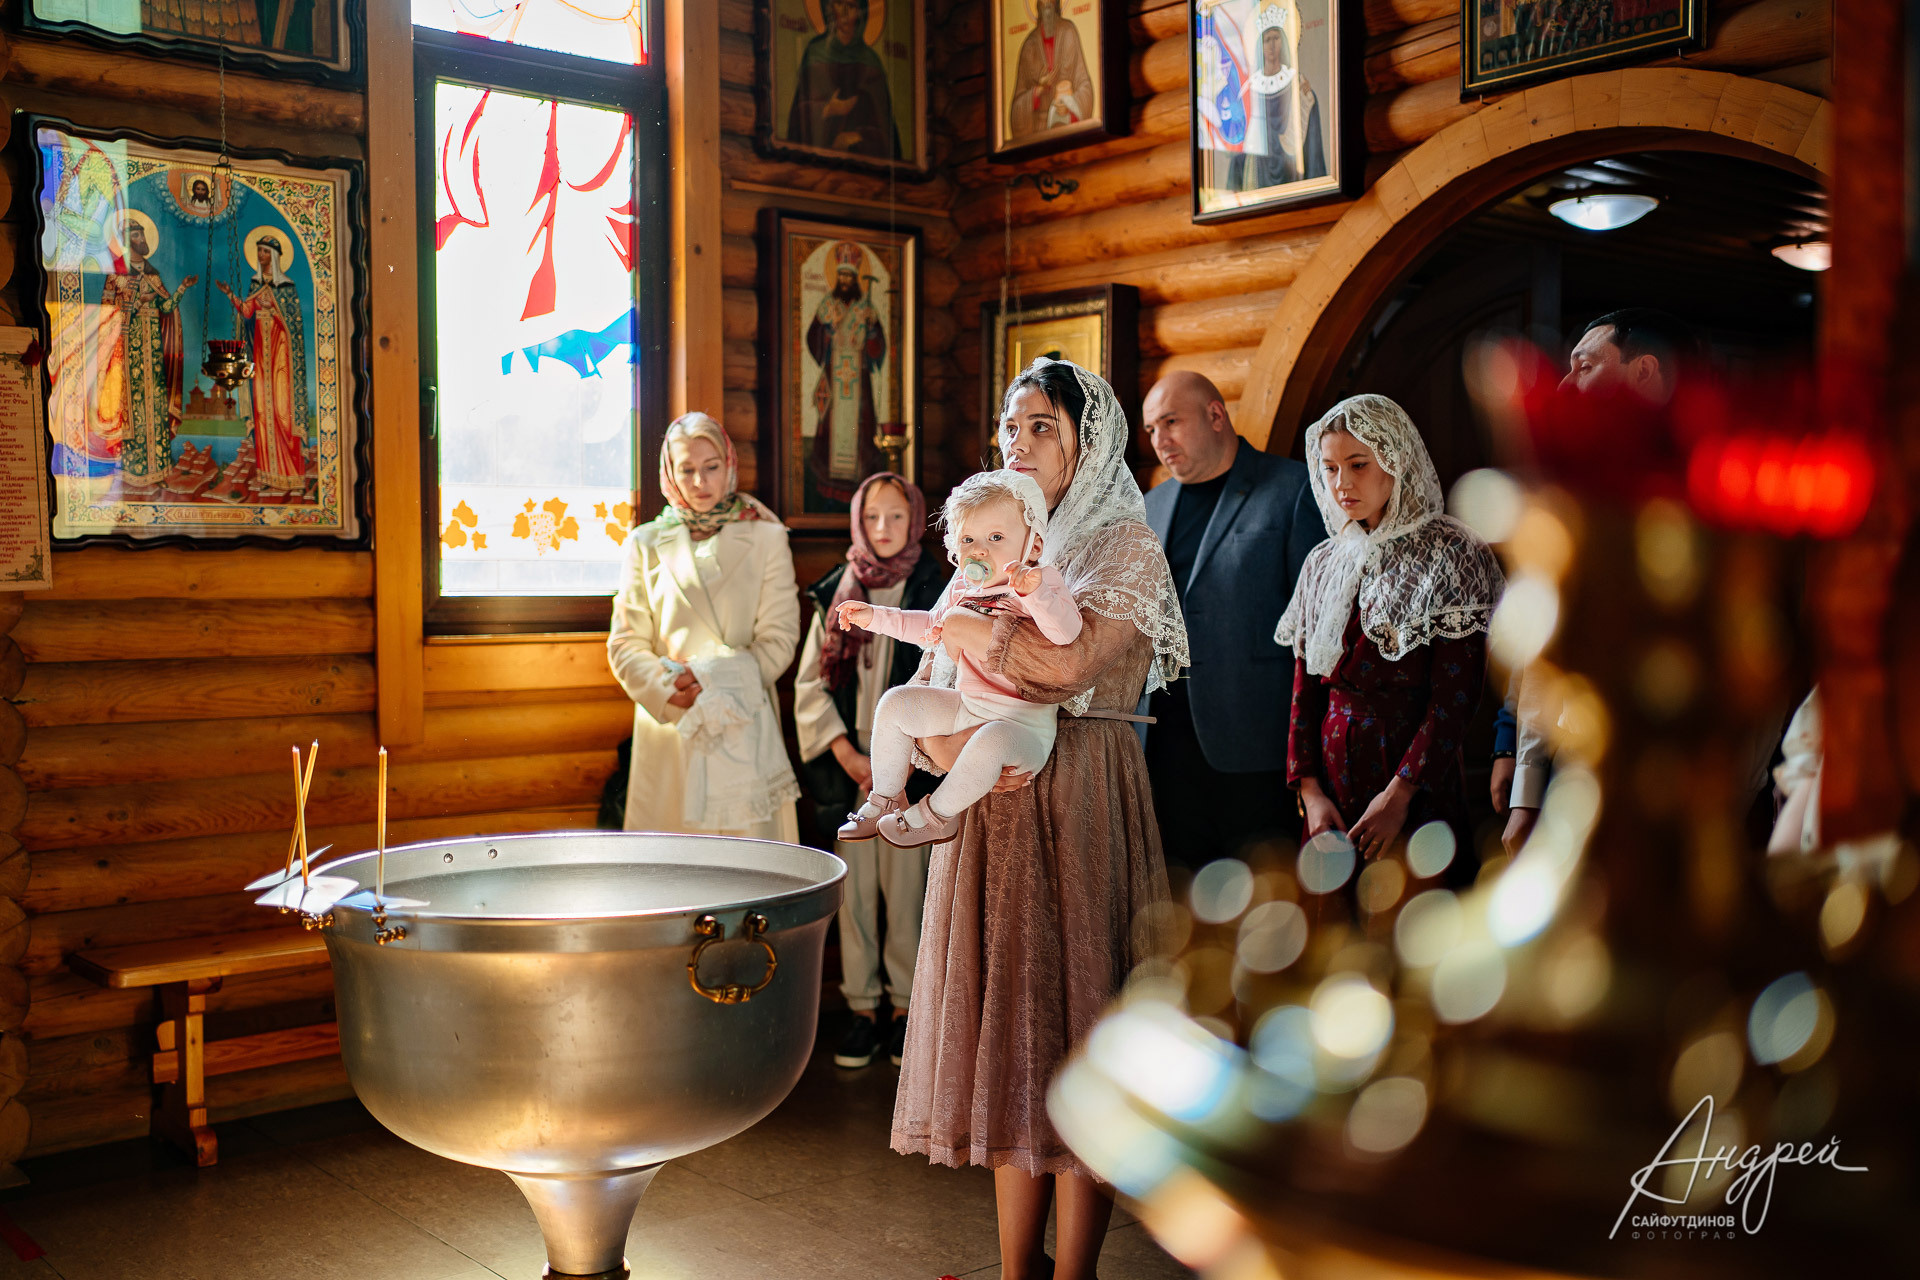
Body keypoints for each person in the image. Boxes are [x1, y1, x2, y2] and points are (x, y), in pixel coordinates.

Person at [892, 357, 1189, 1280]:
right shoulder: (992, 536)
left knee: (1077, 1031)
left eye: (1041, 429)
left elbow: (1067, 671)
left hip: (1084, 793)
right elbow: (927, 680)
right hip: (993, 803)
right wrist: (943, 757)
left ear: (1087, 442)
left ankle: (1075, 1275)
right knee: (1010, 1036)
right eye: (1009, 430)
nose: (1017, 445)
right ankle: (1018, 1270)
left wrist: (977, 637)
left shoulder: (1124, 548)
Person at [1493, 308, 1695, 851]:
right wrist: (1525, 787)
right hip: (1571, 762)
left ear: (1643, 372)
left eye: (1584, 366)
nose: (1564, 383)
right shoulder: (1572, 504)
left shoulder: (1701, 503)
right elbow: (1543, 652)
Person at [1277, 395, 1502, 868]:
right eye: (1331, 468)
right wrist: (1311, 792)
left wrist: (1399, 796)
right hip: (1332, 783)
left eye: (1358, 465)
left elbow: (1455, 699)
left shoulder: (1453, 551)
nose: (1342, 484)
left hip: (1415, 776)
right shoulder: (1323, 561)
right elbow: (1304, 691)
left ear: (1395, 460)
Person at [837, 469, 1083, 847]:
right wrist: (873, 616)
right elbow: (928, 629)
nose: (979, 549)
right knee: (896, 703)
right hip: (969, 706)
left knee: (990, 740)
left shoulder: (1041, 582)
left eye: (996, 538)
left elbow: (1065, 634)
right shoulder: (967, 590)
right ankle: (886, 796)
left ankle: (937, 815)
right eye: (969, 539)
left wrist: (1035, 594)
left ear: (1033, 545)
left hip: (1023, 727)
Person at [1140, 370, 1323, 875]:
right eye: (1152, 430)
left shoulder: (1293, 489)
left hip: (1256, 746)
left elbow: (1316, 629)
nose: (1160, 441)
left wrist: (1308, 759)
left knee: (1269, 909)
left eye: (1170, 422)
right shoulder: (1149, 508)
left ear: (1216, 415)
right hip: (1162, 745)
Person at [794, 471, 948, 1069]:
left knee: (907, 891)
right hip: (851, 762)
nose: (884, 529)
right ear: (858, 522)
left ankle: (909, 1009)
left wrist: (904, 761)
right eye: (873, 517)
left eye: (898, 517)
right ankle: (862, 1008)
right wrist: (849, 756)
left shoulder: (939, 587)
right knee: (855, 896)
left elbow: (947, 676)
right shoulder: (836, 590)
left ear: (915, 521)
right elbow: (811, 684)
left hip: (917, 765)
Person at [607, 412, 801, 839]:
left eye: (710, 467)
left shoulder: (768, 538)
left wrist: (714, 678)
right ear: (669, 472)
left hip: (740, 719)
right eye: (687, 469)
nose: (699, 482)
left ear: (729, 465)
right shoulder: (644, 543)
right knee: (674, 871)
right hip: (672, 722)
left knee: (747, 874)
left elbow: (779, 637)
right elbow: (625, 643)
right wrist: (669, 689)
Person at [102, 218, 195, 494]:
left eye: (143, 234)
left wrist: (181, 289)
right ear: (128, 240)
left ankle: (158, 471)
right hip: (128, 351)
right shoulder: (115, 275)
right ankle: (132, 471)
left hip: (153, 351)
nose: (142, 240)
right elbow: (105, 312)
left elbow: (166, 306)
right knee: (133, 411)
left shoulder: (153, 276)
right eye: (137, 235)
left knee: (154, 408)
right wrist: (131, 304)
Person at [217, 232, 309, 498]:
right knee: (262, 412)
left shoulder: (287, 287)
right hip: (259, 353)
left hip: (281, 356)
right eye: (259, 251)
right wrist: (230, 295)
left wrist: (273, 310)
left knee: (282, 412)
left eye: (266, 251)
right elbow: (247, 312)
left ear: (276, 256)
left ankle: (292, 475)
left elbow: (295, 327)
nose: (261, 256)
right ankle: (269, 474)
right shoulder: (255, 283)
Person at [806, 241, 889, 505]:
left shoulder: (866, 308)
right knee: (831, 424)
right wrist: (827, 333)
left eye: (848, 276)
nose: (843, 280)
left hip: (858, 375)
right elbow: (813, 337)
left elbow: (879, 347)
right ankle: (831, 483)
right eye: (840, 275)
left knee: (861, 425)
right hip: (835, 373)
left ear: (854, 279)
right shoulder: (828, 305)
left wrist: (872, 330)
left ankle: (860, 480)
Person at [1229, 0, 1326, 193]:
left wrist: (1306, 103)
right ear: (1259, 45)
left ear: (1283, 40)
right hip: (1255, 174)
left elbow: (1310, 140)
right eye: (1267, 40)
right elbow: (1238, 141)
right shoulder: (1249, 90)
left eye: (1276, 38)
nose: (1272, 45)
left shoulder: (1297, 85)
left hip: (1291, 173)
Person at [785, 0, 901, 159]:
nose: (845, 13)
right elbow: (797, 122)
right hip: (818, 164)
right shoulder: (815, 54)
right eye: (839, 3)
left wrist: (856, 137)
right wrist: (828, 109)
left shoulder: (871, 63)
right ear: (829, 8)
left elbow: (886, 134)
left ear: (861, 13)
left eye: (852, 6)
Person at [1007, 0, 1095, 140]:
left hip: (1067, 126)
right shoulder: (1029, 46)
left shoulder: (1069, 33)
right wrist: (1038, 90)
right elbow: (1016, 110)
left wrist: (1069, 106)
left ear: (1056, 4)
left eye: (1050, 3)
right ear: (1038, 7)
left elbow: (1085, 85)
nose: (1047, 7)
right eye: (1043, 3)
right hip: (1038, 133)